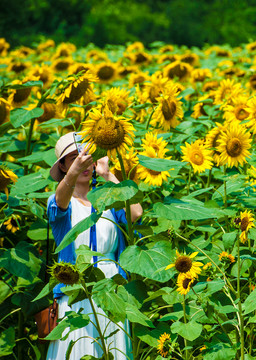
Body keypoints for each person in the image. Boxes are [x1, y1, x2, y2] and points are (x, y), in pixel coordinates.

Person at [46, 131, 143, 360]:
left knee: (114, 349)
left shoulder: (107, 198)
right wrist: (74, 172)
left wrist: (108, 174)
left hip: (112, 289)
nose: (85, 162)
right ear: (63, 166)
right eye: (76, 157)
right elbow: (59, 201)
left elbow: (136, 212)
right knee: (80, 348)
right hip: (77, 291)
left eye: (89, 156)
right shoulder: (62, 202)